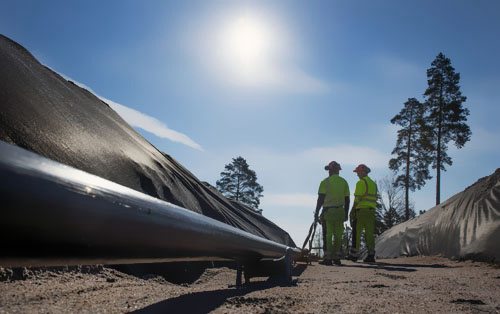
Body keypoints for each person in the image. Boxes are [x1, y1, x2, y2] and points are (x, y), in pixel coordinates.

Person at [315, 161, 350, 266]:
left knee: (327, 235)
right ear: (338, 171)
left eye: (329, 170)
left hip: (328, 212)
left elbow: (320, 199)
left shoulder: (325, 182)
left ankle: (328, 258)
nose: (328, 172)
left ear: (331, 170)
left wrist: (316, 213)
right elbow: (347, 199)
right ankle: (337, 258)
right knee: (338, 234)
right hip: (340, 211)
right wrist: (346, 213)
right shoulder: (344, 182)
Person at [350, 164, 378, 263]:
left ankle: (354, 255)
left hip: (361, 211)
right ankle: (371, 255)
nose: (357, 174)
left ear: (363, 172)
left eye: (358, 172)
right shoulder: (373, 184)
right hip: (371, 211)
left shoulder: (361, 183)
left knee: (357, 233)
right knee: (369, 234)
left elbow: (357, 199)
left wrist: (352, 210)